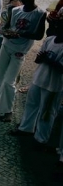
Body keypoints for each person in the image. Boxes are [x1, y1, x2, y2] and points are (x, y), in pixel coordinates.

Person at [0, 0, 46, 122]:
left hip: (20, 51)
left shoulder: (40, 14)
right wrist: (6, 32)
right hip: (6, 46)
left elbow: (38, 35)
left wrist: (20, 33)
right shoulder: (15, 10)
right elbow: (6, 27)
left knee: (9, 81)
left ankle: (7, 110)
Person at [11, 17, 63, 145]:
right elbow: (39, 59)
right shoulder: (50, 40)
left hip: (54, 85)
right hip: (39, 78)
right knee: (31, 104)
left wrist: (49, 60)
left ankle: (41, 139)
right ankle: (26, 128)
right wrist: (41, 59)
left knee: (47, 112)